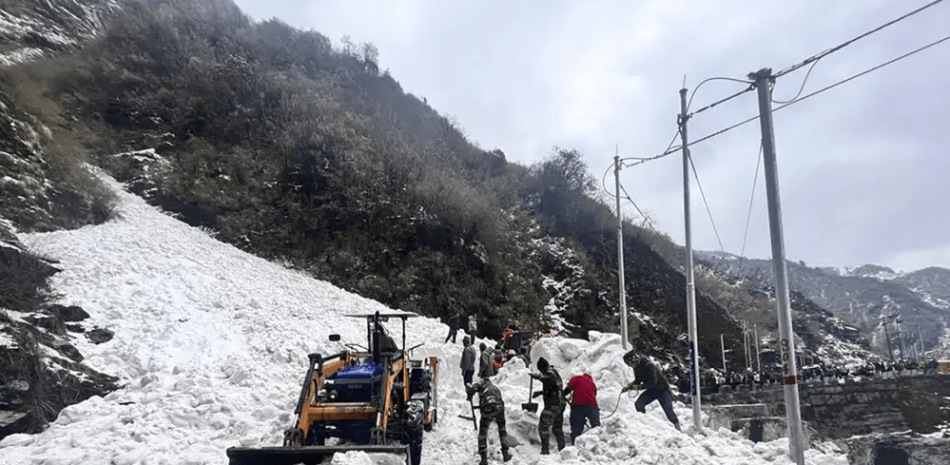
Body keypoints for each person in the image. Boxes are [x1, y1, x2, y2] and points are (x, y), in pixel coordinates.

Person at [621, 350, 681, 431]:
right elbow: (638, 380)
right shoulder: (637, 367)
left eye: (631, 364)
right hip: (652, 391)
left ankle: (678, 429)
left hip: (662, 389)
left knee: (669, 411)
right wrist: (629, 386)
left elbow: (651, 383)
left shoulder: (649, 365)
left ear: (634, 360)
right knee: (639, 404)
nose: (631, 366)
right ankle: (644, 424)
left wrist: (638, 387)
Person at [466, 377, 513, 465]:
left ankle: (483, 459)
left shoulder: (481, 386)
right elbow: (502, 402)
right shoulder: (495, 387)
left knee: (483, 433)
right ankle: (506, 454)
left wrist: (468, 388)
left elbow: (472, 389)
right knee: (502, 431)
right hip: (499, 408)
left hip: (487, 407)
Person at [529, 357, 566, 454]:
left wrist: (538, 377)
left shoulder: (550, 372)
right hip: (559, 405)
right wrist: (541, 393)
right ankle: (563, 449)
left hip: (552, 405)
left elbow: (549, 380)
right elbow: (553, 387)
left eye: (540, 370)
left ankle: (545, 450)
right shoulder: (553, 372)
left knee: (543, 427)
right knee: (557, 428)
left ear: (542, 368)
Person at [563, 373, 599, 445]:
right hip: (592, 407)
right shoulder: (593, 384)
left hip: (578, 405)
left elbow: (569, 387)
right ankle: (597, 443)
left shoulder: (578, 378)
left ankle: (575, 444)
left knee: (576, 426)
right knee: (596, 427)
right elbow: (594, 395)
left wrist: (562, 394)